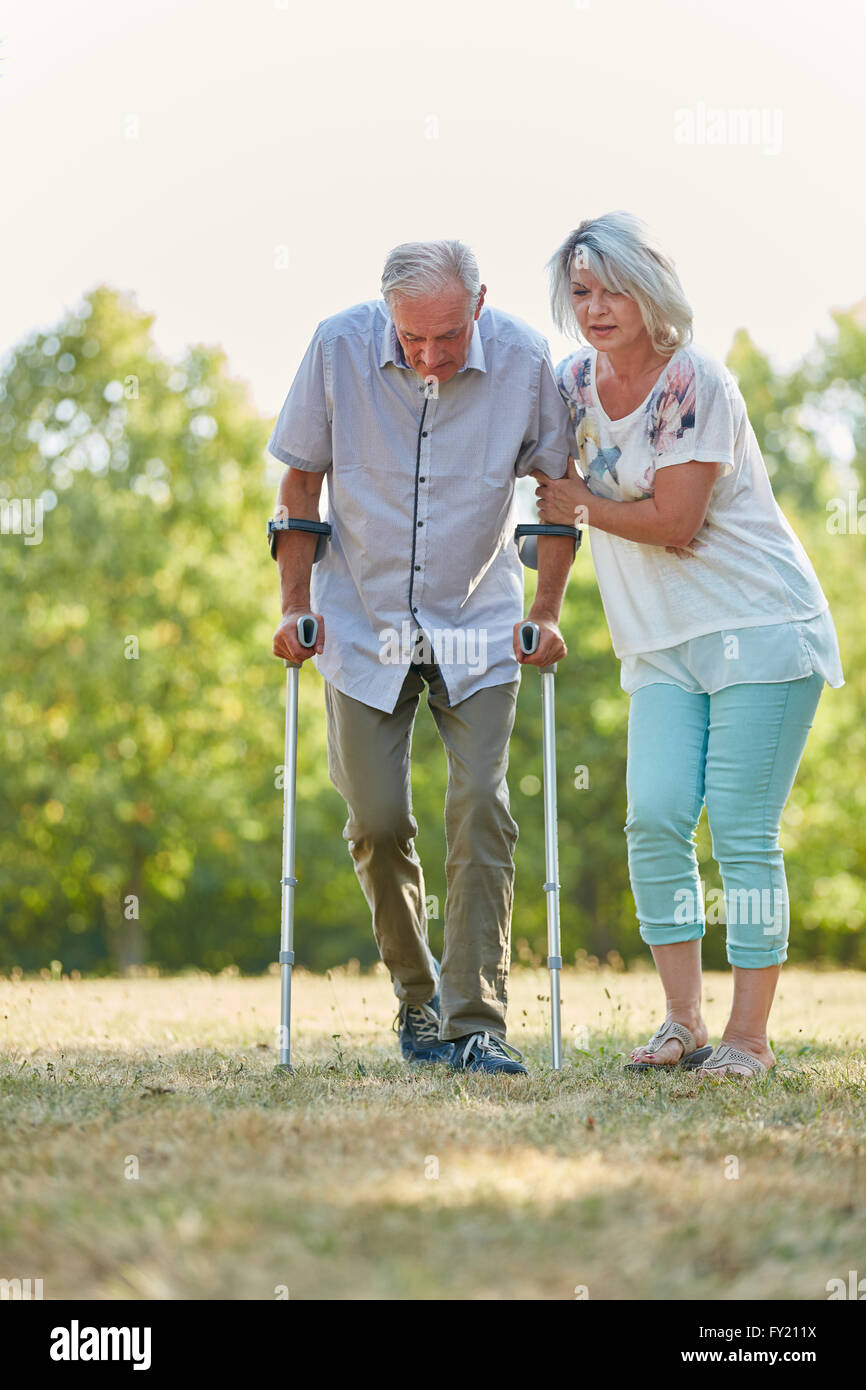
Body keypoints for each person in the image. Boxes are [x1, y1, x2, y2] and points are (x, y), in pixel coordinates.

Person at [535, 211, 844, 1079]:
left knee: (742, 829)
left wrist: (581, 506)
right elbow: (549, 510)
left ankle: (749, 1039)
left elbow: (674, 521)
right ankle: (683, 1025)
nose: (595, 307)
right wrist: (547, 607)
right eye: (581, 291)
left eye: (613, 287)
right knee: (655, 818)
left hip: (759, 627)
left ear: (651, 288)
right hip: (661, 643)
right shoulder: (567, 388)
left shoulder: (694, 381)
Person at [268, 240, 576, 1075]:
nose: (430, 356)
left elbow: (558, 489)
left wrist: (546, 611)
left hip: (477, 619)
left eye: (447, 336)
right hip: (361, 619)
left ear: (480, 304)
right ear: (386, 316)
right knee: (376, 822)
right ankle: (419, 999)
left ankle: (477, 1021)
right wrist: (295, 607)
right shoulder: (337, 348)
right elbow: (299, 487)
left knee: (479, 804)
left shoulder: (523, 360)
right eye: (412, 340)